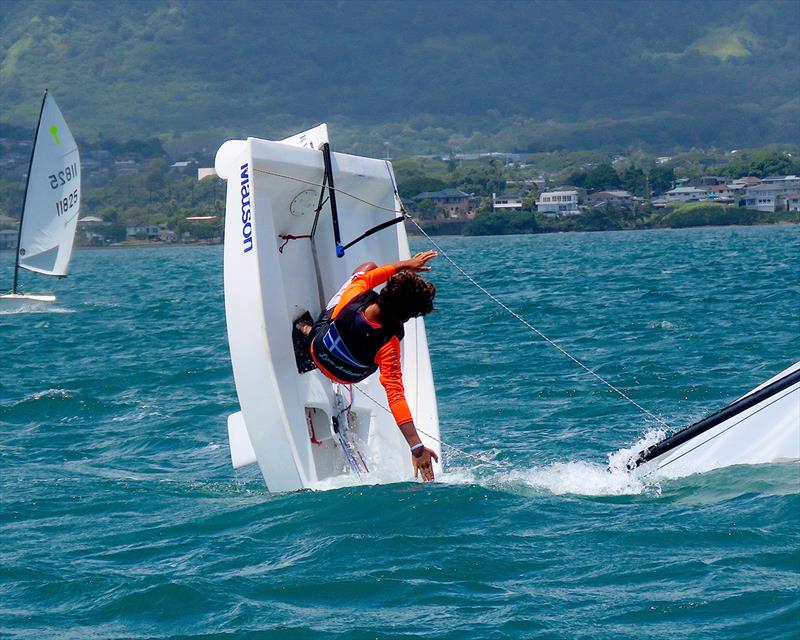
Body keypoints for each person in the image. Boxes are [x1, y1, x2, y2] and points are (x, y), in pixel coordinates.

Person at [295, 250, 440, 481]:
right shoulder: (389, 345)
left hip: (317, 350)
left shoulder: (355, 295)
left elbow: (376, 274)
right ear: (405, 317)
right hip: (347, 375)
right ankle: (312, 331)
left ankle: (305, 330)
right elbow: (396, 397)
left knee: (368, 266)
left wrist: (406, 265)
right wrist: (416, 448)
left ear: (386, 291)